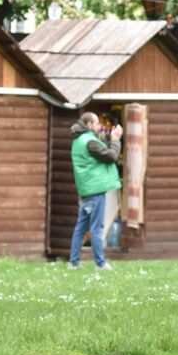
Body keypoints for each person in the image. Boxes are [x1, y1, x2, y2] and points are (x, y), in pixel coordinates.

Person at [69, 112, 121, 270]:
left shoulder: (79, 140)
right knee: (97, 228)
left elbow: (97, 152)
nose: (99, 126)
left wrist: (104, 138)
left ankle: (74, 262)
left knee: (80, 228)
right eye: (97, 123)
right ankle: (100, 263)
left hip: (85, 190)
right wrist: (115, 140)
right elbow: (111, 156)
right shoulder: (90, 142)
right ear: (89, 124)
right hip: (95, 190)